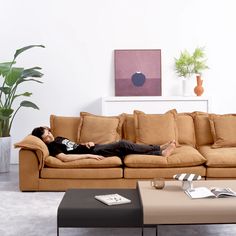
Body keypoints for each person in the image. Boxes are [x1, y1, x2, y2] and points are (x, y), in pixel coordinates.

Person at [31, 126, 176, 162]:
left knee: (125, 151)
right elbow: (65, 158)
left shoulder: (58, 138)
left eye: (49, 132)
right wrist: (89, 155)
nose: (50, 135)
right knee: (123, 144)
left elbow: (74, 146)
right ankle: (158, 148)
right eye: (46, 137)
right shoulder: (51, 146)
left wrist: (85, 143)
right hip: (94, 152)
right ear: (43, 141)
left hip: (94, 147)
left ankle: (160, 153)